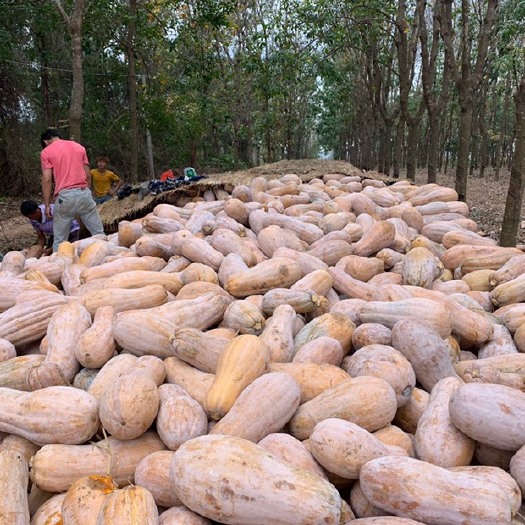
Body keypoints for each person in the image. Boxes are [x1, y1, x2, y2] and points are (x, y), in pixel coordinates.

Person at [40, 128, 105, 252]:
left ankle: (58, 268)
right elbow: (87, 175)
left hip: (64, 198)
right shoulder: (79, 147)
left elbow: (47, 179)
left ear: (46, 142)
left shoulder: (46, 152)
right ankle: (107, 261)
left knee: (59, 241)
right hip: (83, 193)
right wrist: (87, 192)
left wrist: (47, 205)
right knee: (99, 233)